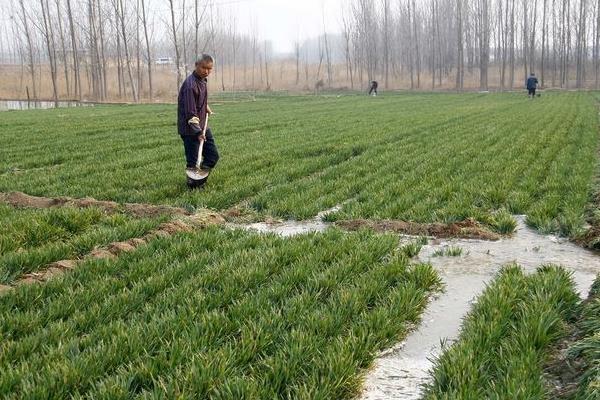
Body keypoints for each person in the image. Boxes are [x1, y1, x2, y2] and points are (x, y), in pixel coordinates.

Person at [177, 54, 219, 189]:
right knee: (193, 161)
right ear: (196, 66)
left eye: (209, 69)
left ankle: (199, 179)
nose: (206, 71)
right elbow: (190, 113)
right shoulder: (190, 85)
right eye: (203, 68)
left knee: (212, 155)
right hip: (191, 129)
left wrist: (205, 106)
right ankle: (193, 186)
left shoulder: (203, 80)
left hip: (201, 125)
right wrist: (198, 132)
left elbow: (199, 100)